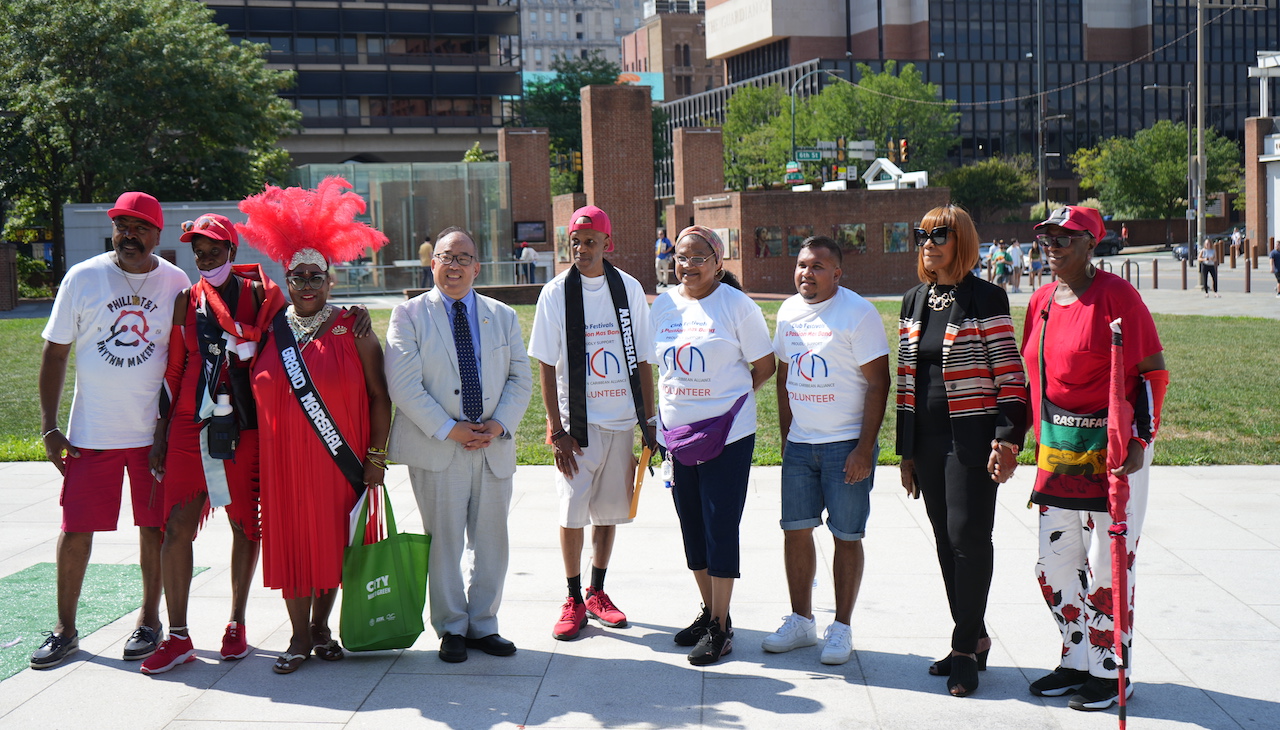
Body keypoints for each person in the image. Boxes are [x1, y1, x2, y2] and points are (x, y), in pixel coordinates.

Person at [31, 192, 190, 670]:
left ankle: (149, 621)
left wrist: (172, 430)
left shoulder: (176, 283)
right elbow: (55, 354)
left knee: (153, 529)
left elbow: (185, 358)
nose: (130, 234)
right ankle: (65, 629)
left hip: (151, 436)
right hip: (90, 433)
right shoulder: (83, 277)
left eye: (140, 227)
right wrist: (49, 427)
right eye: (122, 225)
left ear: (157, 236)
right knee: (75, 529)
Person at [242, 178, 393, 674]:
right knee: (291, 546)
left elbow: (379, 397)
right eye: (297, 276)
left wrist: (374, 458)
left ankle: (322, 630)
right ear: (286, 280)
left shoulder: (354, 330)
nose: (306, 284)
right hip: (283, 466)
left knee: (330, 545)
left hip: (338, 463)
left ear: (331, 279)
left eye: (315, 276)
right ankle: (299, 637)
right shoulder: (271, 328)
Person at [1022, 205, 1167, 711]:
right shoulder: (1040, 301)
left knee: (1110, 565)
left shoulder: (1118, 296)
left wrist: (1140, 441)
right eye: (1047, 236)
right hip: (1057, 453)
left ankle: (1112, 673)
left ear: (1091, 244)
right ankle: (1076, 658)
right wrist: (1014, 438)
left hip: (1113, 457)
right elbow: (1031, 377)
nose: (1053, 244)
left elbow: (1152, 372)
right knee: (1054, 562)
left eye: (1065, 237)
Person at [140, 214, 286, 675]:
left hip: (242, 422)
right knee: (176, 525)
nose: (205, 260)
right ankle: (179, 636)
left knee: (245, 524)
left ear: (232, 252)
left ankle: (236, 624)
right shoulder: (187, 299)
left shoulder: (260, 295)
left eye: (214, 251)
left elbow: (289, 344)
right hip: (188, 423)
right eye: (198, 252)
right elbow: (175, 368)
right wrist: (161, 431)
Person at [896, 205, 1029, 697]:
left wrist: (1008, 438)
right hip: (926, 441)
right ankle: (974, 636)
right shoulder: (913, 300)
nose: (928, 242)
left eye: (940, 234)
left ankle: (964, 650)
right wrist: (905, 454)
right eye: (921, 234)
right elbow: (907, 384)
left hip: (971, 439)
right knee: (943, 542)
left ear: (964, 240)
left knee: (967, 538)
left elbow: (1011, 376)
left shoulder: (986, 297)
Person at [384, 226, 533, 663]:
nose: (455, 266)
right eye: (447, 257)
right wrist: (451, 428)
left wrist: (500, 424)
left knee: (492, 541)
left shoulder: (502, 316)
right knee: (444, 540)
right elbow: (404, 386)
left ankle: (484, 625)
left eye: (464, 258)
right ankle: (451, 627)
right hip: (438, 447)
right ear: (433, 264)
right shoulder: (409, 316)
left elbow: (521, 379)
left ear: (477, 266)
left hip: (492, 446)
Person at [529, 206, 656, 642]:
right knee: (571, 512)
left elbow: (643, 359)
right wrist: (556, 429)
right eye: (575, 243)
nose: (581, 250)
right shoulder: (555, 293)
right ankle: (572, 599)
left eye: (590, 242)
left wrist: (648, 422)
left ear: (608, 244)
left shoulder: (629, 289)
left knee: (608, 512)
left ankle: (597, 591)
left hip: (621, 420)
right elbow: (546, 364)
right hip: (576, 430)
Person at [651, 225, 775, 666]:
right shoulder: (663, 305)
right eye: (681, 257)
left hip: (727, 436)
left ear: (719, 261)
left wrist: (730, 403)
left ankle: (722, 629)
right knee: (692, 528)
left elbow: (765, 365)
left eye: (699, 257)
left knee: (720, 526)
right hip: (678, 439)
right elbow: (658, 370)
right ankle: (708, 614)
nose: (688, 265)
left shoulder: (737, 306)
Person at [765, 236, 889, 666]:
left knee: (846, 535)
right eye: (802, 265)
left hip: (845, 447)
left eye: (818, 266)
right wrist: (786, 438)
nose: (807, 273)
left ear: (837, 273)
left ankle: (841, 627)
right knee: (795, 531)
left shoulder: (858, 313)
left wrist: (863, 448)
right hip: (801, 445)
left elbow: (879, 383)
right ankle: (801, 621)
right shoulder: (787, 312)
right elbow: (784, 379)